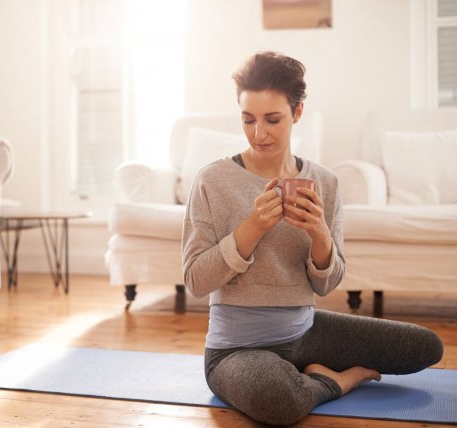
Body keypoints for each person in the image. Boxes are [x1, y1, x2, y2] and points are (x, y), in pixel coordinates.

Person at [181, 51, 443, 426]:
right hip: (236, 351)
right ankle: (334, 380)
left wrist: (320, 233)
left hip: (306, 333)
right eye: (248, 119)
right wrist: (252, 227)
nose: (259, 133)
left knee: (424, 346)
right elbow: (195, 280)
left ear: (297, 112)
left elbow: (326, 285)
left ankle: (303, 367)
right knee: (279, 402)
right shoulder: (212, 180)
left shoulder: (325, 182)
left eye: (273, 119)